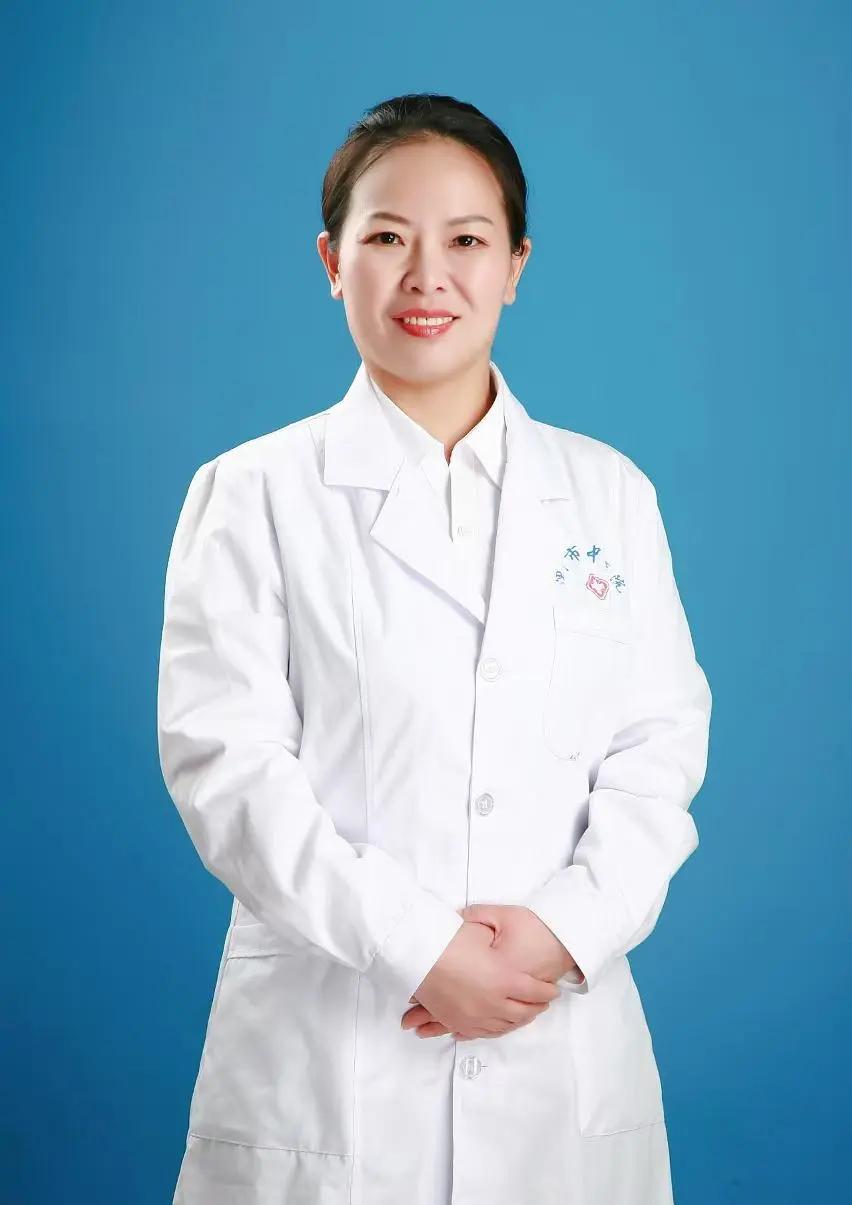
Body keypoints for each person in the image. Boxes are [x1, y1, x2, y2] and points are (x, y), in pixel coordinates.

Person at [157, 92, 712, 1205]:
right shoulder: (254, 492)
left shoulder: (608, 493)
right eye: (386, 238)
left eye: (466, 240)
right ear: (332, 261)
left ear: (515, 265)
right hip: (330, 1054)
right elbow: (230, 770)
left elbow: (659, 749)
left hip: (559, 1042)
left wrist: (560, 931)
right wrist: (420, 948)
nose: (428, 277)